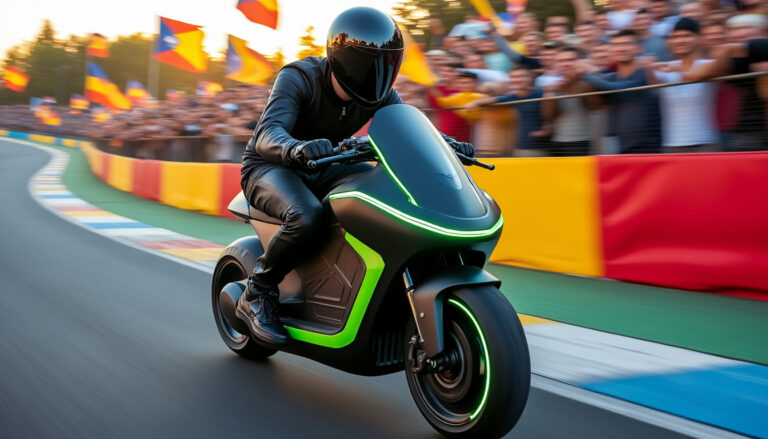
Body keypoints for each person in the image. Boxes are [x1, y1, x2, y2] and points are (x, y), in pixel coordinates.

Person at [238, 7, 474, 345]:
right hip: (270, 166)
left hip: (327, 163)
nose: (380, 74)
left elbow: (410, 130)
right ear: (347, 61)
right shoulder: (298, 77)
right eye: (372, 64)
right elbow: (267, 134)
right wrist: (296, 149)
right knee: (306, 215)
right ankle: (258, 291)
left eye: (388, 65)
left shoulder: (381, 95)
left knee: (383, 195)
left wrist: (447, 146)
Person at [581, 29, 663, 153]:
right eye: (616, 45)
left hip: (647, 148)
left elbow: (616, 88)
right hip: (617, 147)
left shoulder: (643, 73)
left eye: (627, 44)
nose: (621, 48)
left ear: (639, 48)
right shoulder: (610, 77)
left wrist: (586, 74)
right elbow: (592, 98)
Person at [654, 18, 718, 152]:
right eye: (676, 37)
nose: (680, 41)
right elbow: (649, 81)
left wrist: (677, 69)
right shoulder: (662, 68)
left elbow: (697, 74)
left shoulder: (710, 64)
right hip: (671, 145)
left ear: (699, 38)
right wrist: (647, 66)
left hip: (706, 144)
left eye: (686, 35)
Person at [467, 66, 549, 156]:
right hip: (518, 148)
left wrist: (547, 127)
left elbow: (552, 116)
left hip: (539, 148)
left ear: (530, 78)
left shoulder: (542, 93)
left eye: (522, 76)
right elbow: (495, 99)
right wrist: (475, 103)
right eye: (514, 77)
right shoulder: (513, 96)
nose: (518, 80)